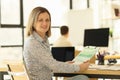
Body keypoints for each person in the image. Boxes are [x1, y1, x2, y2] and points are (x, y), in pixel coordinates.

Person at [23, 6, 90, 80]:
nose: (45, 23)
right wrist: (79, 67)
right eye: (40, 20)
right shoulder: (32, 42)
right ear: (33, 22)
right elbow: (53, 65)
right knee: (83, 78)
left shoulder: (44, 39)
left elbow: (50, 64)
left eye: (47, 20)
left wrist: (65, 64)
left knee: (82, 77)